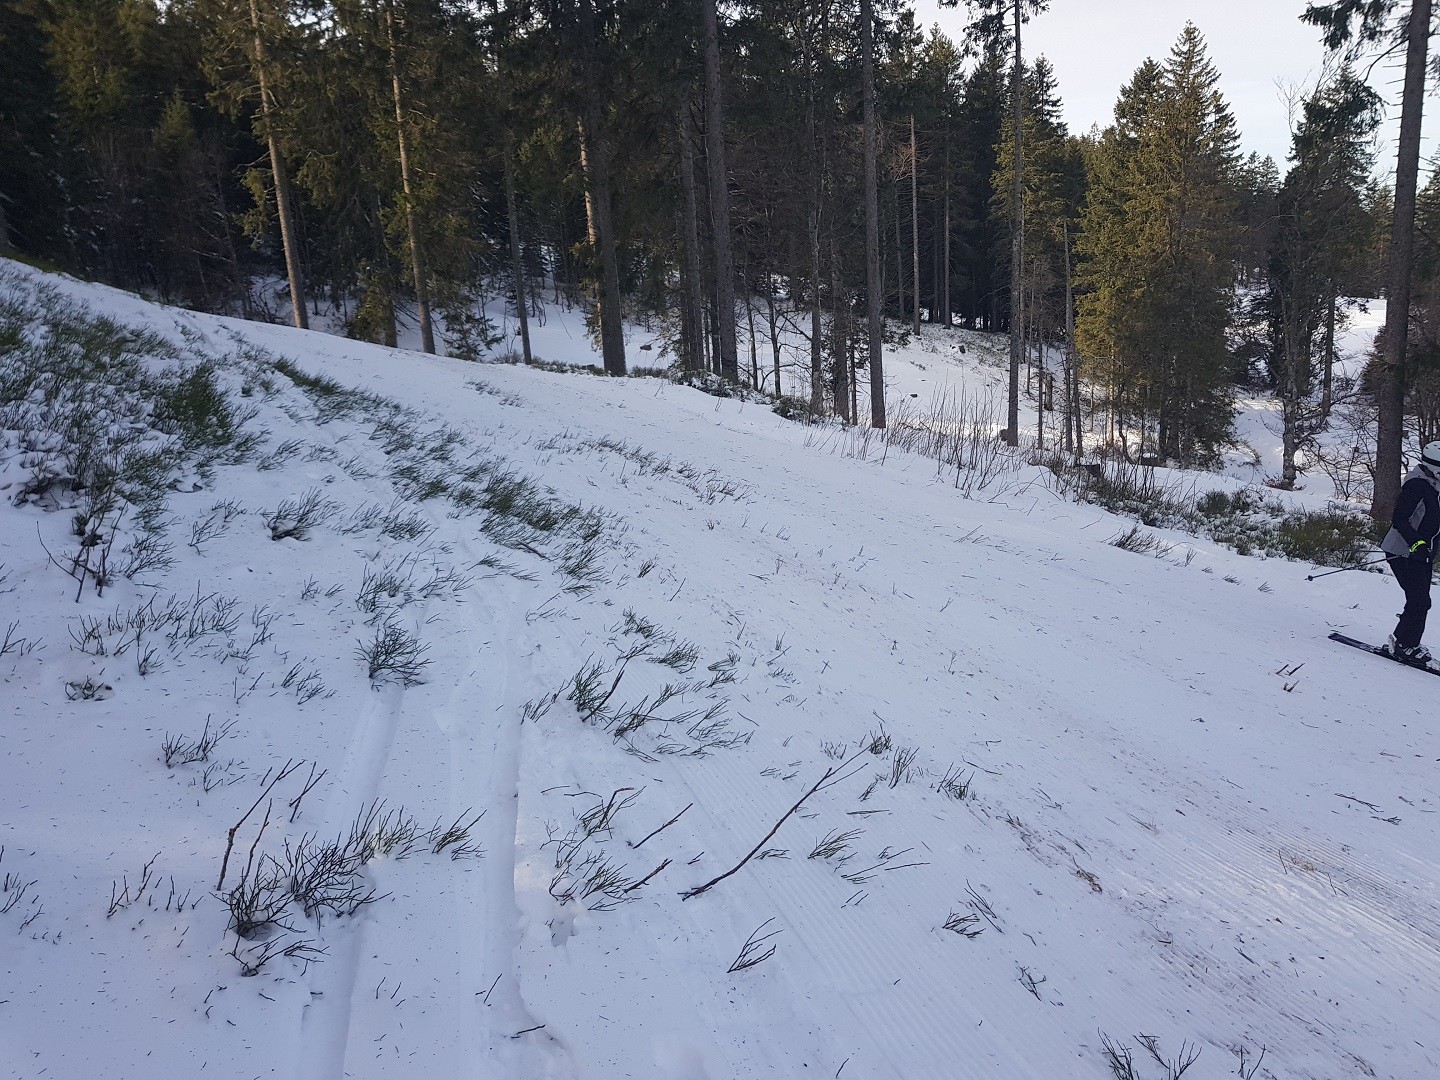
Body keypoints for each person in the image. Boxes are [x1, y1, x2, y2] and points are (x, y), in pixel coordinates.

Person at [1380, 441, 1440, 664]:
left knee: (1419, 600)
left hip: (1422, 553)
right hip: (1402, 551)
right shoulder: (1416, 486)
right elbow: (1400, 520)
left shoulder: (1435, 485)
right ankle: (1406, 644)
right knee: (1419, 600)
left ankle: (1404, 641)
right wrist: (1416, 544)